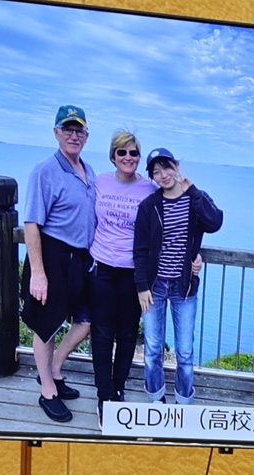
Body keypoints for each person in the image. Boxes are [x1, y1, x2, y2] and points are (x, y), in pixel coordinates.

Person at [20, 105, 97, 425]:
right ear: (56, 132)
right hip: (52, 256)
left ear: (86, 136)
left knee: (87, 320)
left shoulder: (88, 170)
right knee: (47, 325)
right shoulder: (45, 171)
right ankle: (48, 391)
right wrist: (38, 273)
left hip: (80, 259)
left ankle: (53, 369)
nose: (73, 136)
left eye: (79, 130)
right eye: (68, 129)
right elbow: (31, 223)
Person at [132, 148, 223, 403]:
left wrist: (193, 191)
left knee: (184, 351)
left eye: (167, 167)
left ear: (177, 166)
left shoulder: (195, 199)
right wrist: (141, 286)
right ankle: (156, 399)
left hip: (184, 287)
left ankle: (183, 402)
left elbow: (215, 222)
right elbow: (140, 249)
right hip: (155, 287)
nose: (163, 175)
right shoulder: (150, 205)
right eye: (156, 172)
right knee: (153, 348)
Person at [82, 128, 151, 415]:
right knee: (101, 334)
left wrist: (193, 251)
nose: (128, 157)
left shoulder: (149, 189)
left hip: (132, 272)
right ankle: (104, 394)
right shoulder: (100, 182)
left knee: (127, 334)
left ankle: (118, 387)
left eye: (133, 152)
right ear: (113, 156)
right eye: (122, 152)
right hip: (101, 268)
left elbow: (170, 219)